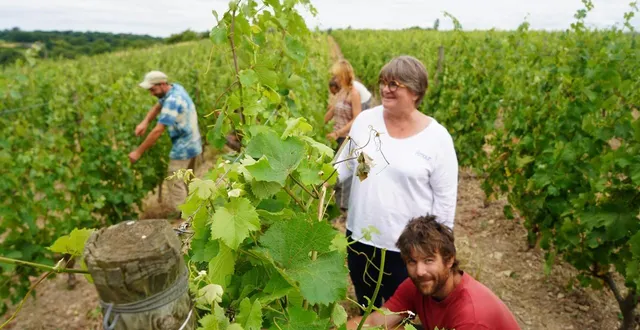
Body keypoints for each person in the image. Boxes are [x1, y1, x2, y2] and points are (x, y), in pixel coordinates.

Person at [335, 55, 459, 311]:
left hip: (409, 252)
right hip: (360, 240)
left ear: (415, 91)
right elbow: (343, 166)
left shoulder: (437, 138)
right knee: (367, 309)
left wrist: (436, 255)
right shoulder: (365, 121)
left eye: (394, 84)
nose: (385, 89)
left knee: (402, 317)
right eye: (383, 82)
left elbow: (445, 201)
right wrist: (308, 178)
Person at [346, 215, 521, 330]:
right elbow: (374, 322)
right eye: (412, 262)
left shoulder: (470, 317)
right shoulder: (418, 285)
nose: (420, 271)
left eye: (429, 260)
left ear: (449, 259)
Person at [129, 70, 202, 213]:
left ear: (162, 84)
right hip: (194, 142)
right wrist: (145, 122)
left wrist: (138, 152)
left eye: (153, 89)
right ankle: (195, 214)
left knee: (175, 182)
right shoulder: (175, 88)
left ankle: (185, 221)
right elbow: (158, 106)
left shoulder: (172, 101)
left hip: (184, 146)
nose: (151, 93)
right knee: (188, 181)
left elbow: (158, 131)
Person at [324, 59, 362, 148]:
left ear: (343, 76)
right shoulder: (342, 91)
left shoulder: (354, 94)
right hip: (337, 137)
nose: (335, 79)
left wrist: (338, 133)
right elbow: (333, 110)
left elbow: (356, 119)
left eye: (337, 76)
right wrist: (319, 124)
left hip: (346, 139)